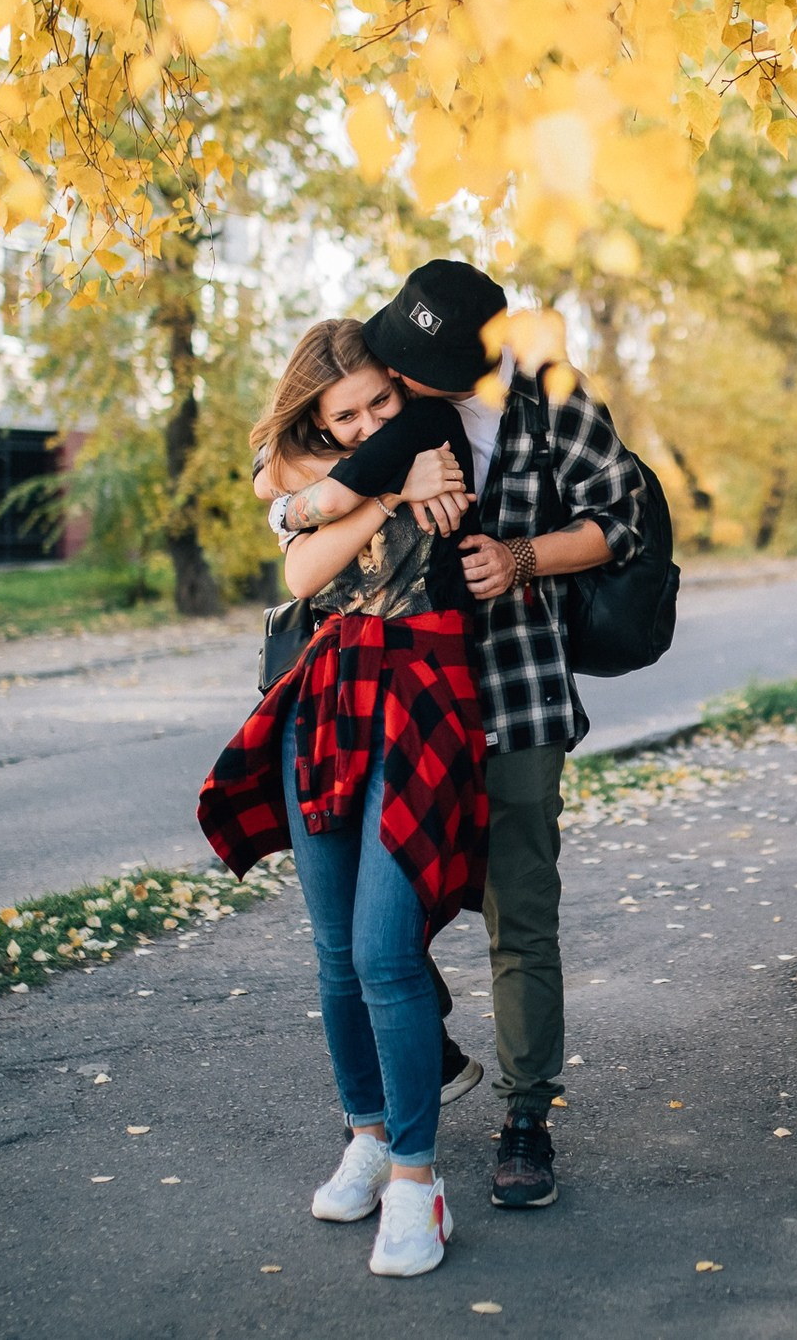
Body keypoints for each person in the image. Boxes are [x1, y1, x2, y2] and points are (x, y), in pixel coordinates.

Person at [271, 261, 642, 1211]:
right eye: (397, 361)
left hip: (512, 693)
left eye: (420, 373)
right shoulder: (384, 407)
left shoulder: (551, 402)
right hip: (395, 698)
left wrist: (519, 559)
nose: (403, 385)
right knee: (379, 915)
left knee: (518, 916)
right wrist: (316, 500)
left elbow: (623, 522)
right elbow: (301, 501)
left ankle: (526, 1116)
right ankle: (421, 1046)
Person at [198, 318, 487, 1278]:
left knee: (382, 950)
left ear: (403, 391)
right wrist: (383, 495)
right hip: (327, 699)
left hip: (422, 697)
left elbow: (314, 525)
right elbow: (301, 570)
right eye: (345, 415)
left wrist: (385, 480)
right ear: (317, 416)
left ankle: (416, 1180)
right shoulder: (320, 468)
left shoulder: (437, 438)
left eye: (380, 405)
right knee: (332, 952)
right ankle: (367, 1132)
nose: (367, 426)